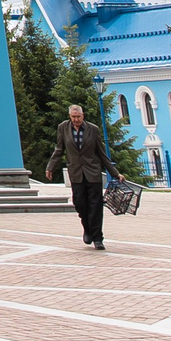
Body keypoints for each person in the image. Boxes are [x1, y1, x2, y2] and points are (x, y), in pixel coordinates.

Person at [43, 100, 114, 251]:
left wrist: (115, 173)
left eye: (78, 117)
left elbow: (101, 153)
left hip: (92, 173)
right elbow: (59, 149)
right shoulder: (63, 128)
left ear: (83, 116)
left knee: (96, 206)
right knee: (80, 203)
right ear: (69, 116)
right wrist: (50, 167)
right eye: (73, 117)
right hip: (76, 173)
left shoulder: (92, 130)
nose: (76, 119)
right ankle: (87, 228)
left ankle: (98, 238)